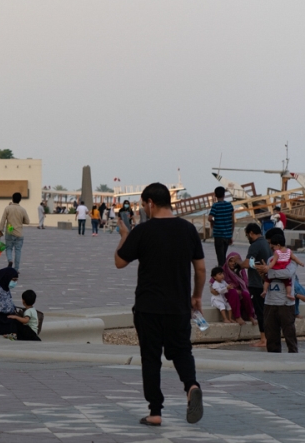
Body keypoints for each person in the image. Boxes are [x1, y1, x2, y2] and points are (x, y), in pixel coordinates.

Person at [114, 183, 204, 427]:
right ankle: (191, 386)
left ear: (151, 203)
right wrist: (196, 296)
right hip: (179, 306)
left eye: (144, 204)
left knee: (151, 358)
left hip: (148, 307)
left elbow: (119, 262)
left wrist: (124, 235)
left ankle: (155, 412)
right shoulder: (188, 229)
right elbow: (200, 268)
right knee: (182, 351)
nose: (144, 208)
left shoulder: (143, 231)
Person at [254, 231, 298, 353]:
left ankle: (294, 358)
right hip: (270, 303)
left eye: (272, 245)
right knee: (271, 336)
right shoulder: (270, 260)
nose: (271, 248)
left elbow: (287, 273)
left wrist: (269, 272)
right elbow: (267, 278)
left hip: (285, 304)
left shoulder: (292, 259)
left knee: (289, 335)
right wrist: (263, 273)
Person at [244, 223, 271, 347]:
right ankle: (268, 337)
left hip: (256, 283)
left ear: (251, 233)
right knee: (266, 312)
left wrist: (239, 263)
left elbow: (248, 263)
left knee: (260, 312)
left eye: (247, 235)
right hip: (266, 282)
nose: (248, 238)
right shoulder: (266, 243)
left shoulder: (255, 245)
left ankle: (263, 339)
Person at [0, 192, 30, 270]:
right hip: (19, 232)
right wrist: (20, 221)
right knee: (18, 250)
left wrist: (0, 230)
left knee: (8, 248)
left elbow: (3, 220)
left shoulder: (7, 208)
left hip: (10, 230)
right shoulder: (22, 209)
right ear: (20, 200)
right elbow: (27, 221)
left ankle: (10, 260)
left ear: (12, 199)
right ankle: (16, 269)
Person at [208, 186, 234, 268]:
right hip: (227, 235)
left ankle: (222, 272)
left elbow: (210, 218)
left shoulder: (215, 206)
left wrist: (214, 221)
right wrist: (231, 235)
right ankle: (224, 271)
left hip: (218, 235)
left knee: (220, 258)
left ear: (215, 195)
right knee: (223, 255)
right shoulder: (229, 205)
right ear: (224, 195)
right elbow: (232, 221)